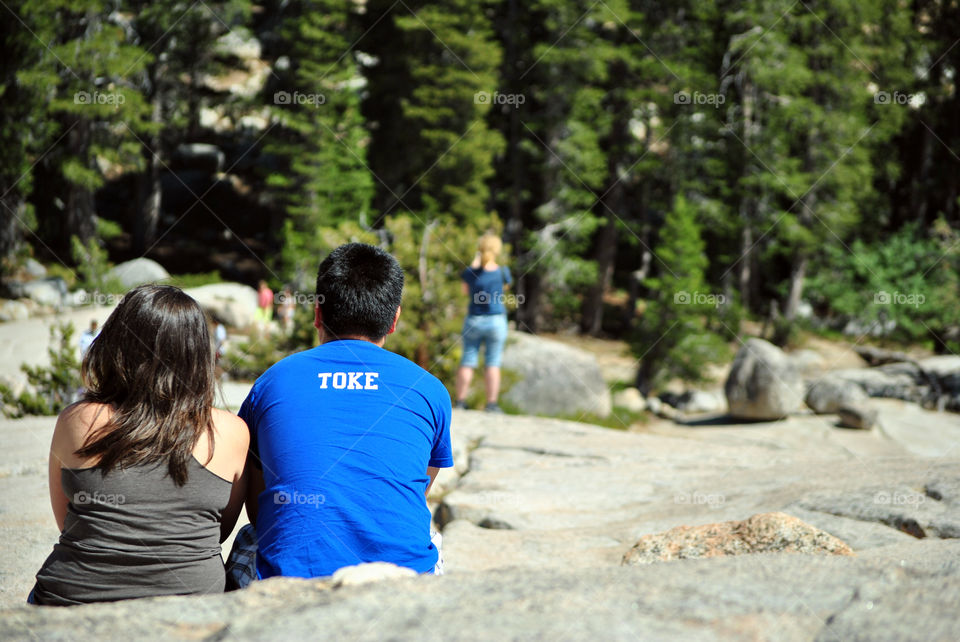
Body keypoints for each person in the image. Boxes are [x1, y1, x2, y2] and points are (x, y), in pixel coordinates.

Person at [235, 243, 453, 582]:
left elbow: (260, 504)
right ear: (393, 319)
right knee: (433, 538)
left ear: (318, 314)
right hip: (403, 579)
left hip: (290, 580)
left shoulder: (274, 381)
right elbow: (416, 487)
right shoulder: (429, 389)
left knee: (248, 538)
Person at [29, 285, 249, 606]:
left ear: (117, 344)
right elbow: (218, 528)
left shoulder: (76, 420)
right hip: (192, 606)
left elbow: (70, 520)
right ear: (198, 354)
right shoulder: (230, 432)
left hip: (71, 602)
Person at [455, 233, 512, 412]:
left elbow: (465, 290)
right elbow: (505, 288)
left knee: (468, 360)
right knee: (493, 362)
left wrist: (475, 262)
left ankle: (460, 402)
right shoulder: (503, 272)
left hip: (474, 320)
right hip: (496, 320)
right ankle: (491, 404)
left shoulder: (471, 273)